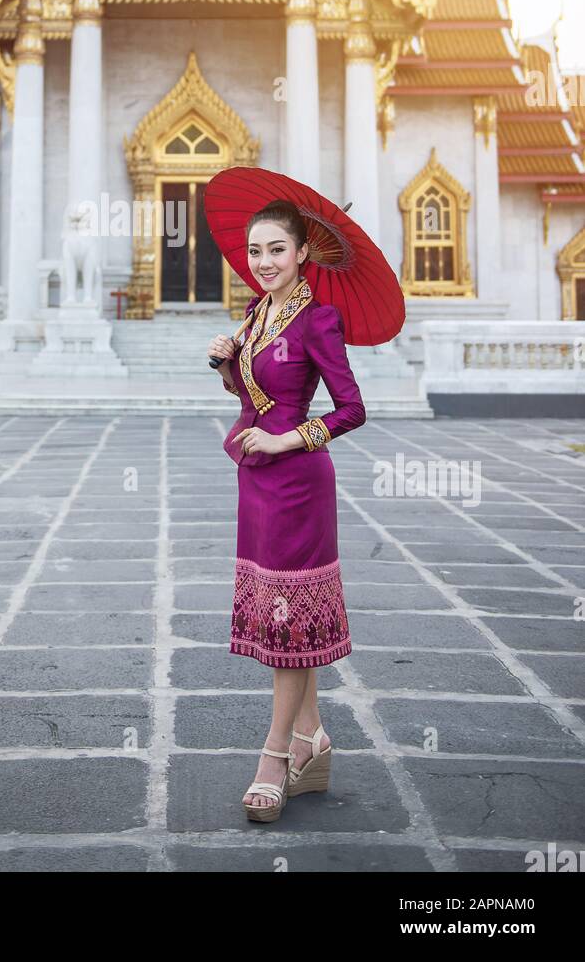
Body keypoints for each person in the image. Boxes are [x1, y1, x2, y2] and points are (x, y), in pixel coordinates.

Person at [208, 198, 366, 823]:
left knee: (288, 626)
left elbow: (351, 408)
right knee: (286, 620)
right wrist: (227, 365)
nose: (264, 261)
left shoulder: (317, 320)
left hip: (298, 481)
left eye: (277, 249)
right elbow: (253, 391)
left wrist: (286, 438)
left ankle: (275, 756)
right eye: (255, 251)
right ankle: (311, 738)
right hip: (258, 482)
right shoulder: (255, 314)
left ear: (303, 253)